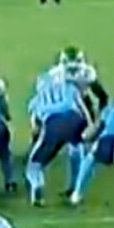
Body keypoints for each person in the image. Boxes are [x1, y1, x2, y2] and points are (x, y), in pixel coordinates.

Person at [25, 73, 90, 206]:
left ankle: (37, 187)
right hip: (75, 119)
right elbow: (83, 110)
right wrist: (89, 125)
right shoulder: (70, 89)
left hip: (53, 124)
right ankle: (75, 189)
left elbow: (35, 128)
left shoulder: (35, 101)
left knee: (33, 165)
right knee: (76, 151)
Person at [47, 46, 108, 120]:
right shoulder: (55, 74)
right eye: (70, 70)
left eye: (75, 70)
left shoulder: (86, 73)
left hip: (81, 101)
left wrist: (100, 115)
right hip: (61, 104)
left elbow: (102, 96)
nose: (73, 73)